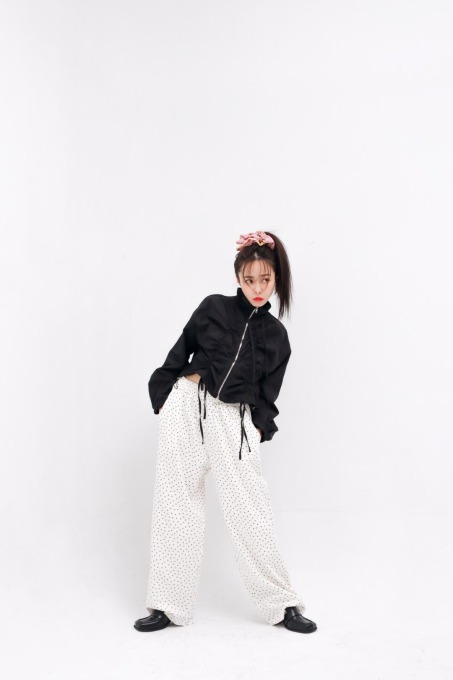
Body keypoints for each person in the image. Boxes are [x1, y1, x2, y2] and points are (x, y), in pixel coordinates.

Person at [134, 230, 317, 634]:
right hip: (187, 406)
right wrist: (164, 398)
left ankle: (282, 603)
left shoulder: (277, 337)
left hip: (234, 421)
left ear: (276, 279)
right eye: (249, 280)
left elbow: (268, 396)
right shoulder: (213, 308)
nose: (257, 288)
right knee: (175, 506)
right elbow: (179, 352)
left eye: (265, 279)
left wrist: (255, 429)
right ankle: (167, 605)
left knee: (251, 511)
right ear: (238, 278)